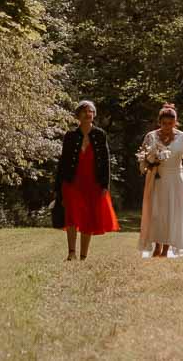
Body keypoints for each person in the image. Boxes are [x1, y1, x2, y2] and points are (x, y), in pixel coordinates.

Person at [55, 100, 118, 262]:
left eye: (90, 111)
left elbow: (105, 161)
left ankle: (83, 256)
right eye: (84, 111)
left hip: (93, 182)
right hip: (72, 182)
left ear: (94, 115)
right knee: (71, 215)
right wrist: (58, 186)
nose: (87, 114)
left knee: (88, 218)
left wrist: (105, 184)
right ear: (78, 115)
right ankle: (71, 253)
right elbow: (63, 162)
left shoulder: (99, 135)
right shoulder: (70, 136)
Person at [137, 103, 183, 258]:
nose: (167, 126)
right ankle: (157, 245)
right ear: (159, 122)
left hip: (175, 179)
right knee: (156, 212)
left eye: (170, 123)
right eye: (164, 123)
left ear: (175, 122)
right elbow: (142, 158)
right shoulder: (151, 137)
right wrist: (149, 162)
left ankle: (166, 249)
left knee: (172, 213)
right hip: (156, 178)